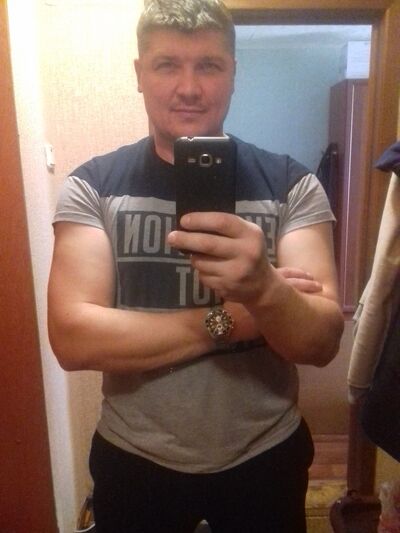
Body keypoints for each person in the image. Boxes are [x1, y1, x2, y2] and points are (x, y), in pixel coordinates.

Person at [47, 1, 344, 531]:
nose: (188, 87)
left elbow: (320, 343)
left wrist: (262, 287)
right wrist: (239, 318)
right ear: (140, 73)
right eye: (167, 65)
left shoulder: (293, 184)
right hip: (134, 457)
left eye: (209, 65)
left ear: (233, 74)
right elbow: (73, 339)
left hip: (265, 453)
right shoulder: (92, 186)